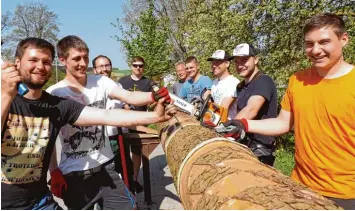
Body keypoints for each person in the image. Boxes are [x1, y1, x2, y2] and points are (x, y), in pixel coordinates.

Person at [1, 37, 175, 210]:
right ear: (16, 63)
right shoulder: (43, 95)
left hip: (48, 197)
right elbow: (51, 144)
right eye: (33, 60)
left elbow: (107, 115)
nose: (40, 67)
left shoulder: (58, 105)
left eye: (46, 62)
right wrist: (6, 95)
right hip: (60, 181)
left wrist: (155, 111)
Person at [224, 13, 355, 209]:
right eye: (309, 44)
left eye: (324, 42)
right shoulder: (298, 80)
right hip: (300, 187)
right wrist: (243, 124)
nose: (315, 50)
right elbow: (283, 122)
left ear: (344, 39)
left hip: (346, 194)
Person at [230, 43, 278, 166]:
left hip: (261, 148)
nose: (240, 65)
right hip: (244, 143)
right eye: (236, 62)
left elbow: (251, 110)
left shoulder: (263, 80)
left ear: (256, 59)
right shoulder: (240, 86)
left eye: (244, 60)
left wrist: (228, 129)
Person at [117, 56, 155, 194]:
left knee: (137, 153)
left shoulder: (148, 82)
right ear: (131, 66)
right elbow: (118, 98)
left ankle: (134, 178)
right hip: (124, 123)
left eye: (141, 65)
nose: (138, 68)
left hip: (141, 122)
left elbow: (154, 100)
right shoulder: (122, 81)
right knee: (123, 153)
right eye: (135, 65)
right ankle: (124, 180)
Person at [207, 50, 240, 120]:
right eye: (213, 62)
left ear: (227, 63)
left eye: (217, 62)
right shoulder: (214, 82)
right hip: (213, 121)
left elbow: (223, 108)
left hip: (227, 125)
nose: (214, 65)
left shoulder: (233, 83)